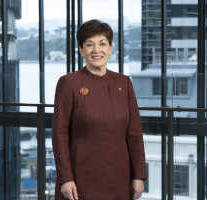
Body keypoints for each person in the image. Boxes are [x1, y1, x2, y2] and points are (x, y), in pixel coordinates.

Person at [52, 19, 147, 200]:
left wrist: (138, 175)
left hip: (120, 177)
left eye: (102, 44)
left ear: (111, 48)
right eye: (90, 45)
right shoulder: (69, 83)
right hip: (80, 178)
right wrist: (65, 179)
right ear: (81, 50)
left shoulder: (124, 83)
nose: (97, 50)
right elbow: (59, 135)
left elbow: (134, 134)